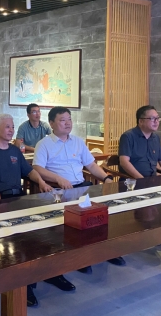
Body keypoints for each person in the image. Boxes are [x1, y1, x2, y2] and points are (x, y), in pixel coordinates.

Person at [0, 113, 70, 308]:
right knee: (21, 239)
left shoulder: (15, 151)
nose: (11, 130)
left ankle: (52, 272)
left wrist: (41, 182)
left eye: (12, 127)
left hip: (20, 198)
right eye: (7, 127)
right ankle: (25, 284)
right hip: (0, 201)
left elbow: (29, 171)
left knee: (49, 228)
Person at [33, 106, 125, 272]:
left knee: (100, 218)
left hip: (82, 187)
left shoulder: (77, 142)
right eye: (62, 120)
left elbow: (91, 165)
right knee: (73, 227)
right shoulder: (44, 144)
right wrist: (58, 179)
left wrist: (106, 178)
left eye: (69, 119)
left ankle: (104, 251)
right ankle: (78, 259)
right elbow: (38, 168)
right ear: (51, 123)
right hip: (60, 191)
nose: (68, 123)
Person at [118, 105, 161, 178]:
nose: (156, 121)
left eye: (157, 118)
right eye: (152, 118)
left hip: (152, 180)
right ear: (141, 121)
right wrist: (141, 179)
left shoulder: (156, 138)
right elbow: (124, 162)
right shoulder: (128, 137)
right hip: (133, 181)